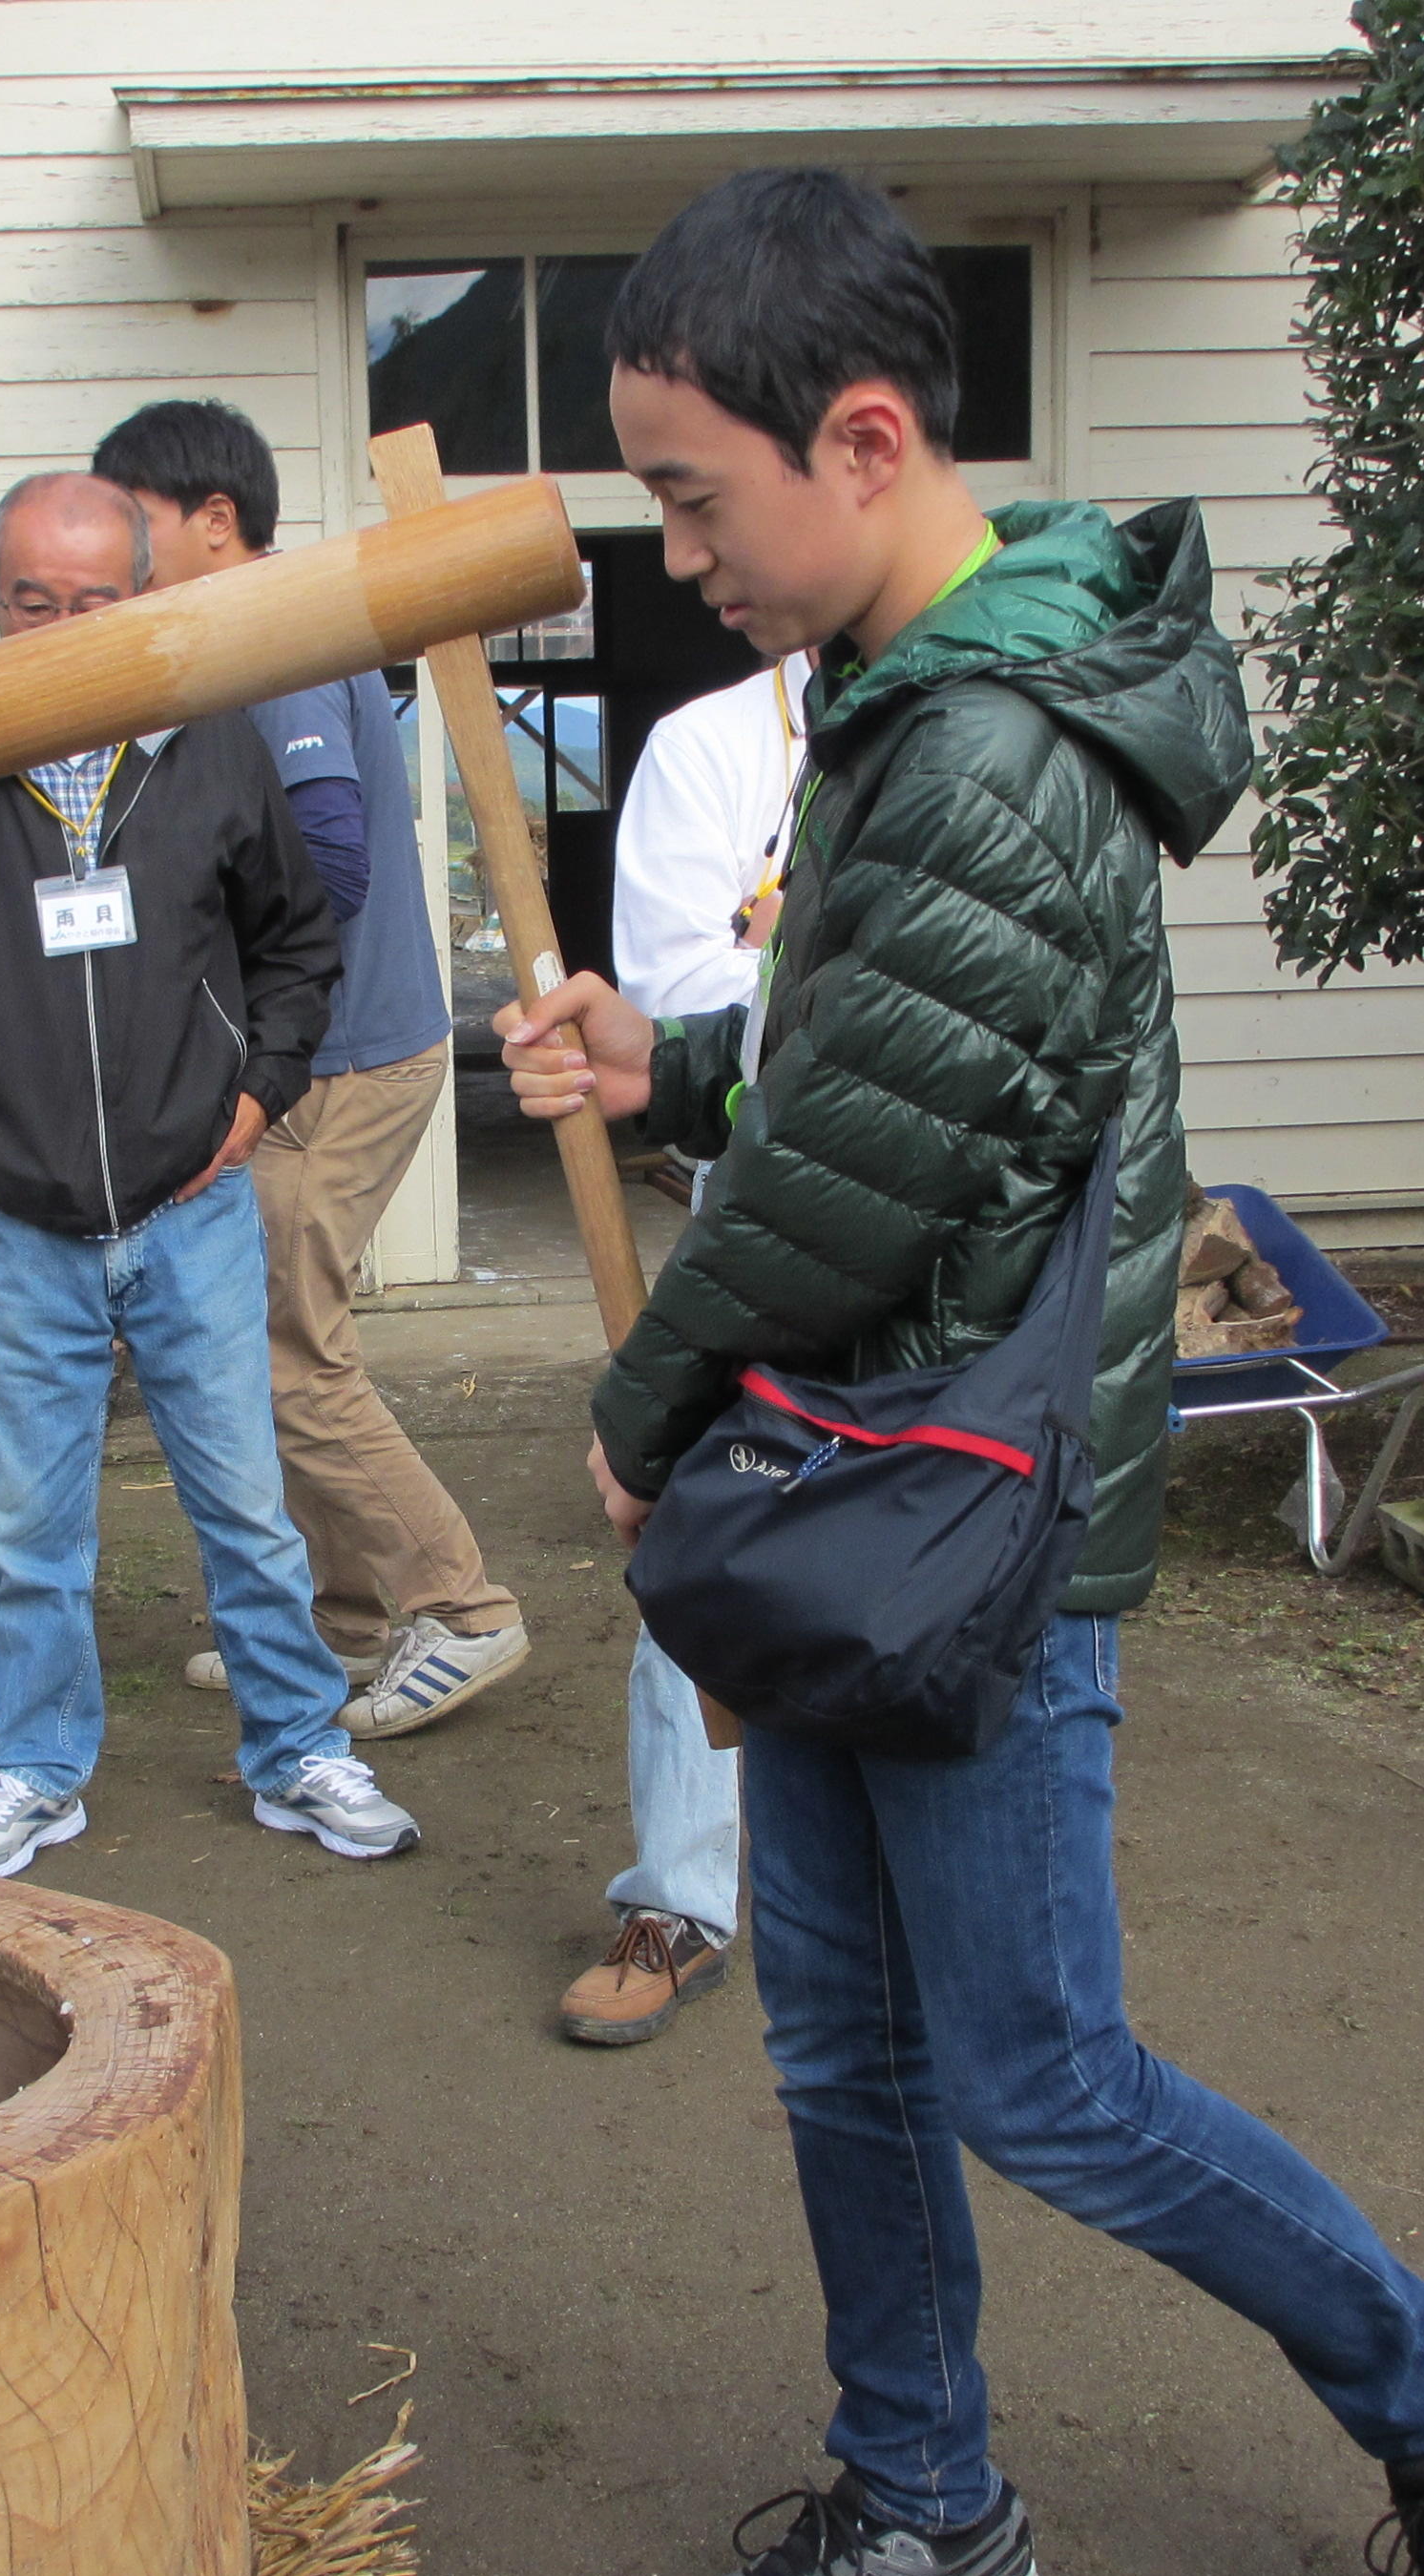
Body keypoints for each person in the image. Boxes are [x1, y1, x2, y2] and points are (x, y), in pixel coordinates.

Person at [497, 172, 1424, 2576]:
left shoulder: (983, 739)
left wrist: (642, 1414)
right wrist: (685, 1071)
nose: (673, 556)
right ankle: (925, 2503)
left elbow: (863, 1193)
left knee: (1040, 2077)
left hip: (971, 1525)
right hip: (879, 1498)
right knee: (842, 2054)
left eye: (691, 498)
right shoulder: (917, 703)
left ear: (864, 440)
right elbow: (902, 1077)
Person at [0, 473, 422, 1878]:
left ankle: (298, 1752)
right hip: (19, 1218)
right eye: (28, 601)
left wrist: (255, 1099)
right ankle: (38, 1769)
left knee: (244, 1505)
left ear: (145, 598)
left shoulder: (211, 740)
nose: (57, 627)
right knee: (37, 1534)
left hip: (193, 1202)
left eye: (91, 602)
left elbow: (296, 940)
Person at [92, 400, 532, 1738]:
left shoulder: (276, 642)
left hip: (338, 1058)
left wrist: (184, 954)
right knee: (259, 1339)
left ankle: (462, 1611)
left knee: (287, 1351)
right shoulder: (238, 640)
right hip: (314, 1053)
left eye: (136, 524)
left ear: (213, 520)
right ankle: (337, 1628)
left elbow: (327, 867)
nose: (118, 554)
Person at [556, 648, 815, 2045]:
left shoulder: (1000, 725)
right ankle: (683, 1896)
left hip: (972, 1229)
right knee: (712, 1504)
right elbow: (683, 996)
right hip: (773, 1194)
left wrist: (793, 971)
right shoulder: (715, 745)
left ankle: (894, 1889)